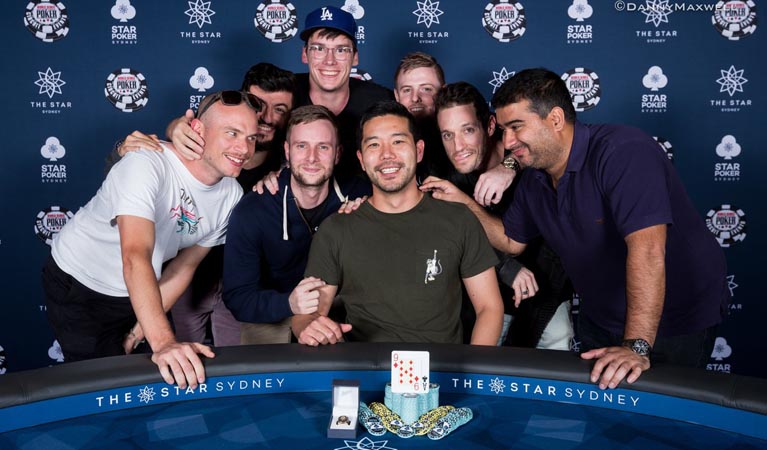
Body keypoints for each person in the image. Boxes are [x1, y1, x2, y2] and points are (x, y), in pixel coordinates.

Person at [490, 68, 729, 388]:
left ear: (556, 119)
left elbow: (647, 250)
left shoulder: (623, 151)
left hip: (673, 322)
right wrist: (461, 205)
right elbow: (510, 240)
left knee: (662, 426)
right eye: (503, 129)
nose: (507, 141)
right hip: (600, 317)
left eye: (516, 127)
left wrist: (636, 346)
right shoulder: (535, 177)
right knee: (607, 421)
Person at [42, 90, 260, 389]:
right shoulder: (146, 163)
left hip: (141, 288)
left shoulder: (232, 193)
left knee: (155, 377)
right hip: (82, 283)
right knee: (102, 388)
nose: (244, 148)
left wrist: (138, 333)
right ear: (197, 129)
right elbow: (135, 255)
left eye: (251, 137)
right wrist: (163, 343)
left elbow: (182, 268)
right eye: (232, 133)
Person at [291, 101, 504, 346]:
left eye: (398, 141)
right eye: (374, 145)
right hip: (365, 374)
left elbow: (490, 307)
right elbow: (307, 315)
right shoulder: (336, 229)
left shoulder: (459, 219)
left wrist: (471, 376)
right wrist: (308, 327)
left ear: (419, 150)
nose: (386, 155)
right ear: (361, 159)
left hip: (441, 375)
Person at [115, 63, 297, 347]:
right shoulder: (199, 146)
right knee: (189, 370)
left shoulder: (288, 165)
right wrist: (129, 146)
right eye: (259, 106)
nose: (266, 118)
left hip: (240, 288)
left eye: (280, 110)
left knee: (232, 368)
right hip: (189, 281)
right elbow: (148, 165)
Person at [421, 81, 573, 350]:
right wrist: (506, 268)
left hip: (544, 285)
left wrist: (509, 165)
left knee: (554, 347)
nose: (458, 146)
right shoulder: (440, 170)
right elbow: (442, 236)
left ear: (490, 127)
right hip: (484, 294)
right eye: (447, 135)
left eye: (467, 130)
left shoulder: (528, 156)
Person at [222, 105, 370, 344]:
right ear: (287, 152)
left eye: (323, 147)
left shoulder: (362, 195)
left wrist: (370, 213)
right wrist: (288, 303)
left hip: (339, 309)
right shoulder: (253, 210)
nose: (312, 158)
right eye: (302, 146)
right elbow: (238, 297)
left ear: (338, 154)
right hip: (275, 313)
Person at [294, 5, 393, 179]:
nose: (329, 60)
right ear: (304, 54)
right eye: (319, 49)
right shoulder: (286, 94)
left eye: (341, 50)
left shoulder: (380, 101)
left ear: (355, 57)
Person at [392, 51, 452, 180]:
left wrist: (505, 168)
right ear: (397, 96)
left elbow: (504, 147)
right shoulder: (384, 137)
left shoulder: (464, 124)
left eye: (426, 89)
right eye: (407, 90)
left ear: (443, 92)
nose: (415, 98)